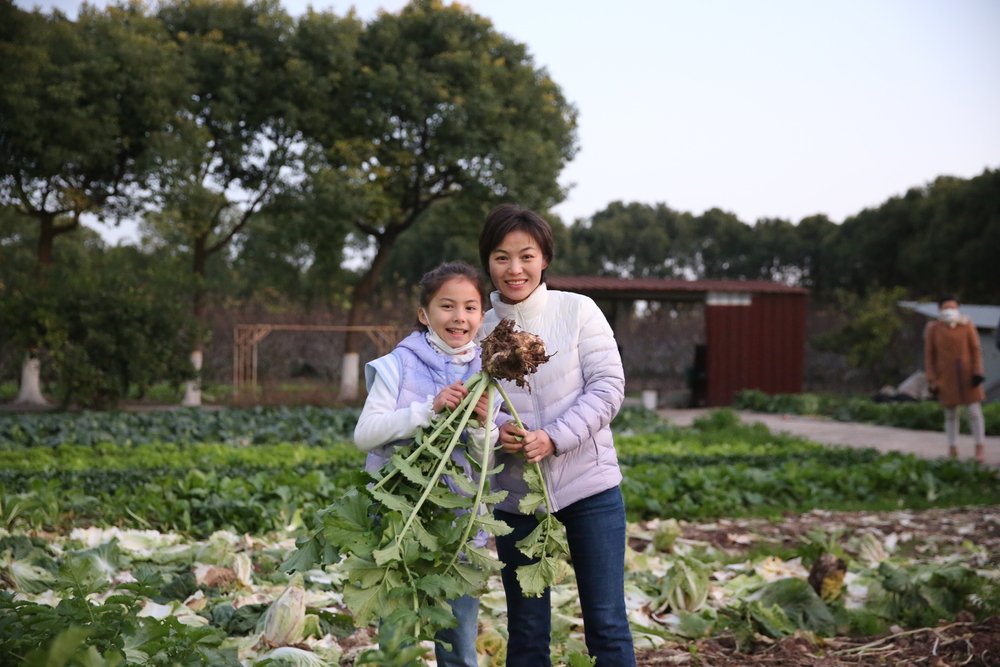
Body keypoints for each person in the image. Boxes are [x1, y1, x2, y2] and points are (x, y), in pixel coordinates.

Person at [476, 204, 636, 667]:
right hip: (516, 497)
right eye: (502, 257)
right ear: (488, 262)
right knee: (527, 632)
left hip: (589, 487)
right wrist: (496, 431)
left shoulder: (578, 310)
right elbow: (469, 409)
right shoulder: (478, 328)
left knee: (606, 624)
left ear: (544, 258)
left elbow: (608, 388)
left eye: (526, 256)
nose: (515, 268)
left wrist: (553, 437)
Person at [354, 261, 497, 667]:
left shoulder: (489, 373)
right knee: (397, 645)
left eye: (470, 307)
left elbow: (487, 458)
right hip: (400, 524)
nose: (459, 317)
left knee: (460, 647)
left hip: (459, 531)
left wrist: (483, 426)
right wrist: (428, 410)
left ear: (481, 316)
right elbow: (365, 434)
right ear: (424, 314)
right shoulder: (396, 365)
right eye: (447, 306)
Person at [924, 295, 987, 464]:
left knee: (974, 411)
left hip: (968, 375)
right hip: (946, 376)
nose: (950, 311)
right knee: (951, 413)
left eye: (953, 308)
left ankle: (979, 447)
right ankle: (952, 448)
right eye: (946, 308)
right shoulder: (933, 328)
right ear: (939, 310)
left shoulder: (966, 325)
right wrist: (932, 378)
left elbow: (975, 349)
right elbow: (929, 355)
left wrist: (977, 371)